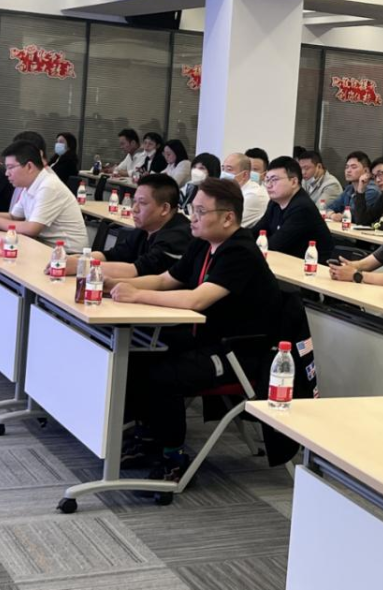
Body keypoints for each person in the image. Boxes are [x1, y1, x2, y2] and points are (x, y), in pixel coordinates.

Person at [111, 177, 280, 479]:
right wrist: (113, 284)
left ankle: (173, 456)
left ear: (228, 218)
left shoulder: (240, 252)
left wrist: (135, 295)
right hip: (203, 339)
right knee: (134, 356)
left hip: (237, 352)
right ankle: (148, 436)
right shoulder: (202, 243)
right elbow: (165, 280)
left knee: (162, 373)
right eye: (192, 209)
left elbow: (196, 299)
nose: (193, 217)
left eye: (201, 211)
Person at [72, 174, 190, 282]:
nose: (134, 209)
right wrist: (79, 259)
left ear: (164, 209)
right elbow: (112, 255)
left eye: (142, 203)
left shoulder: (178, 237)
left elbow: (136, 270)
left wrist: (80, 265)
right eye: (135, 201)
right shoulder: (146, 227)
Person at [0, 140, 89, 249]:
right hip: (44, 246)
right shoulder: (29, 185)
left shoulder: (49, 186)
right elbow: (15, 217)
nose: (6, 173)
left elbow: (32, 229)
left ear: (29, 167)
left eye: (10, 167)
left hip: (67, 252)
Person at [253, 155, 334, 261]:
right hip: (287, 261)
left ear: (294, 182)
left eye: (274, 180)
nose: (268, 185)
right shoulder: (275, 203)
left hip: (313, 266)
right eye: (267, 180)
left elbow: (275, 245)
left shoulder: (302, 208)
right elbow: (257, 232)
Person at [326, 150, 380, 220]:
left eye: (353, 167)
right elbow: (328, 208)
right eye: (347, 167)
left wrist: (340, 215)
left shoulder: (372, 191)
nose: (348, 170)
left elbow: (355, 215)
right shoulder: (349, 189)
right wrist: (332, 215)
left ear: (366, 171)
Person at [221, 152, 268, 228]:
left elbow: (228, 226)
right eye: (223, 169)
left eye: (229, 169)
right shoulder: (231, 191)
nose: (224, 173)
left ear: (245, 175)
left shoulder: (252, 195)